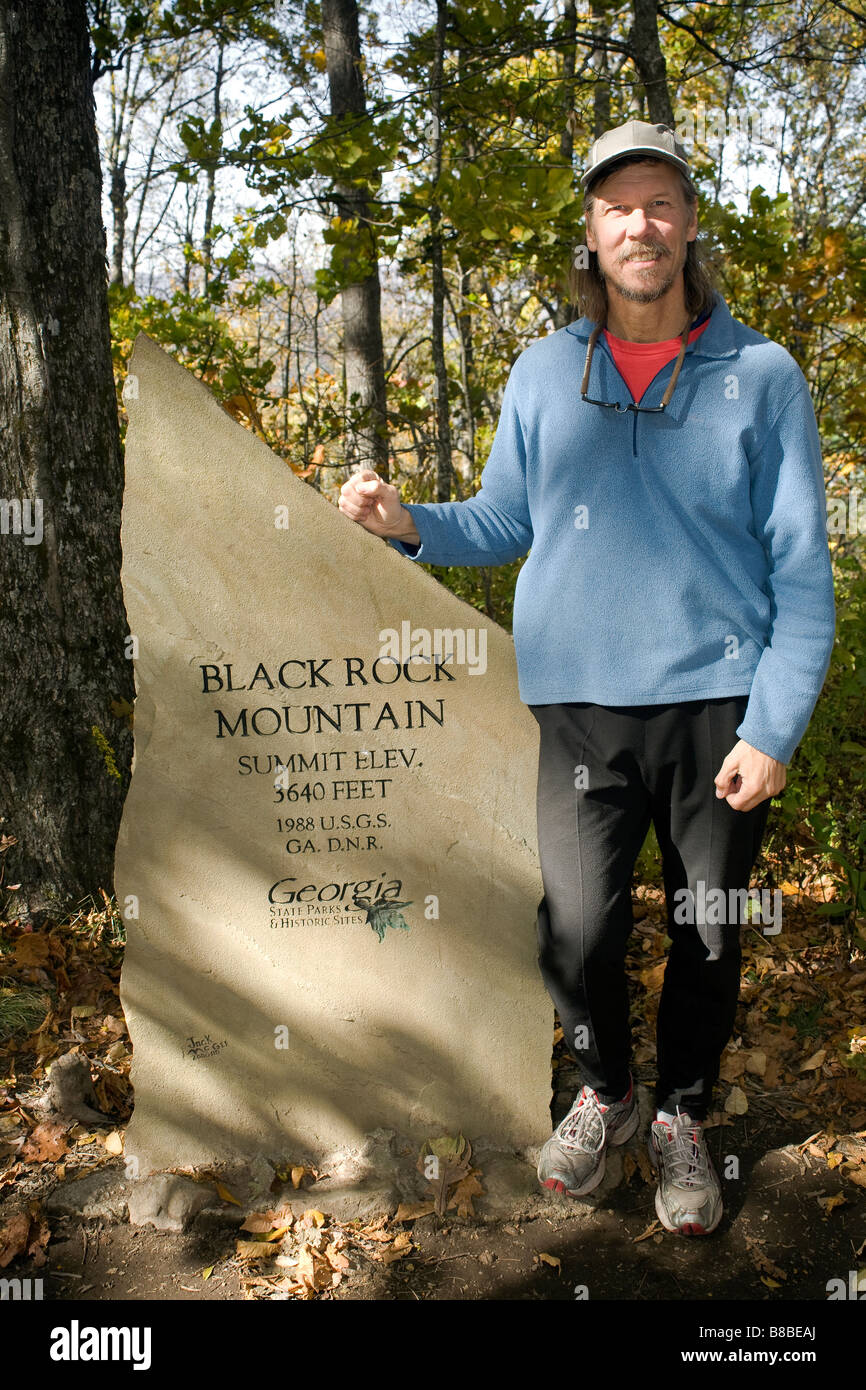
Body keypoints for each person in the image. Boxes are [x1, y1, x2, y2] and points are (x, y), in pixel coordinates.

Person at [337, 119, 836, 1235]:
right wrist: (405, 521)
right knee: (576, 930)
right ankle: (607, 1093)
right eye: (617, 207)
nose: (639, 225)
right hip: (574, 711)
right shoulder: (543, 371)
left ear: (688, 223)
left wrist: (774, 725)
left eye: (658, 204)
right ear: (591, 232)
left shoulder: (759, 376)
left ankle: (684, 1115)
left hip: (718, 709)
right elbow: (506, 516)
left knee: (708, 929)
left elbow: (802, 570)